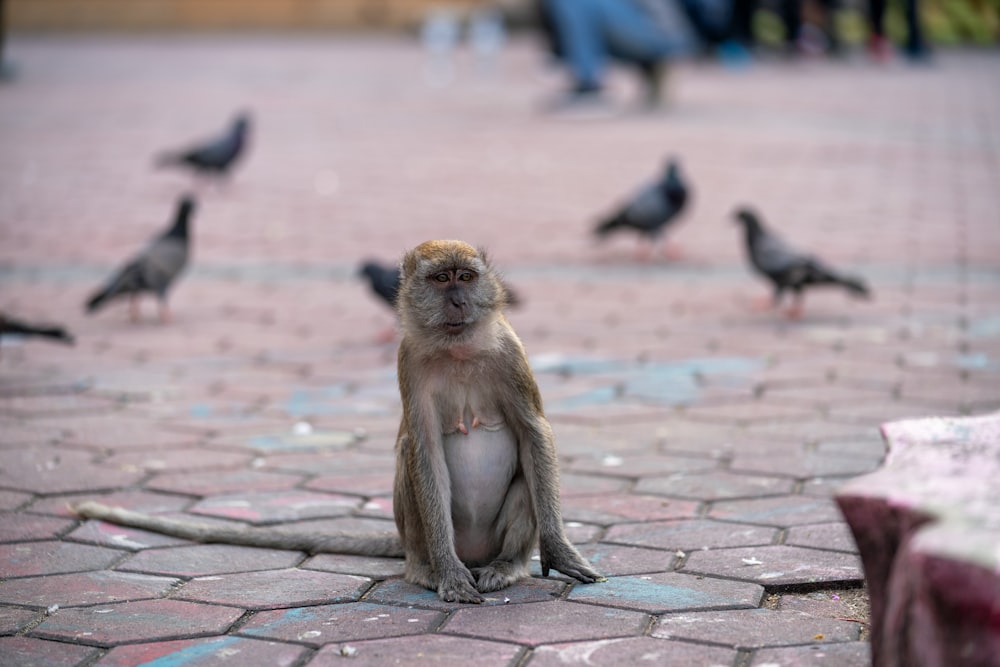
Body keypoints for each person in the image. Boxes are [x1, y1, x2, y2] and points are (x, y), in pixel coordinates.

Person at [539, 0, 697, 110]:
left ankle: (588, 86)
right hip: (656, 30)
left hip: (661, 33)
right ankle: (651, 66)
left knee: (574, 3)